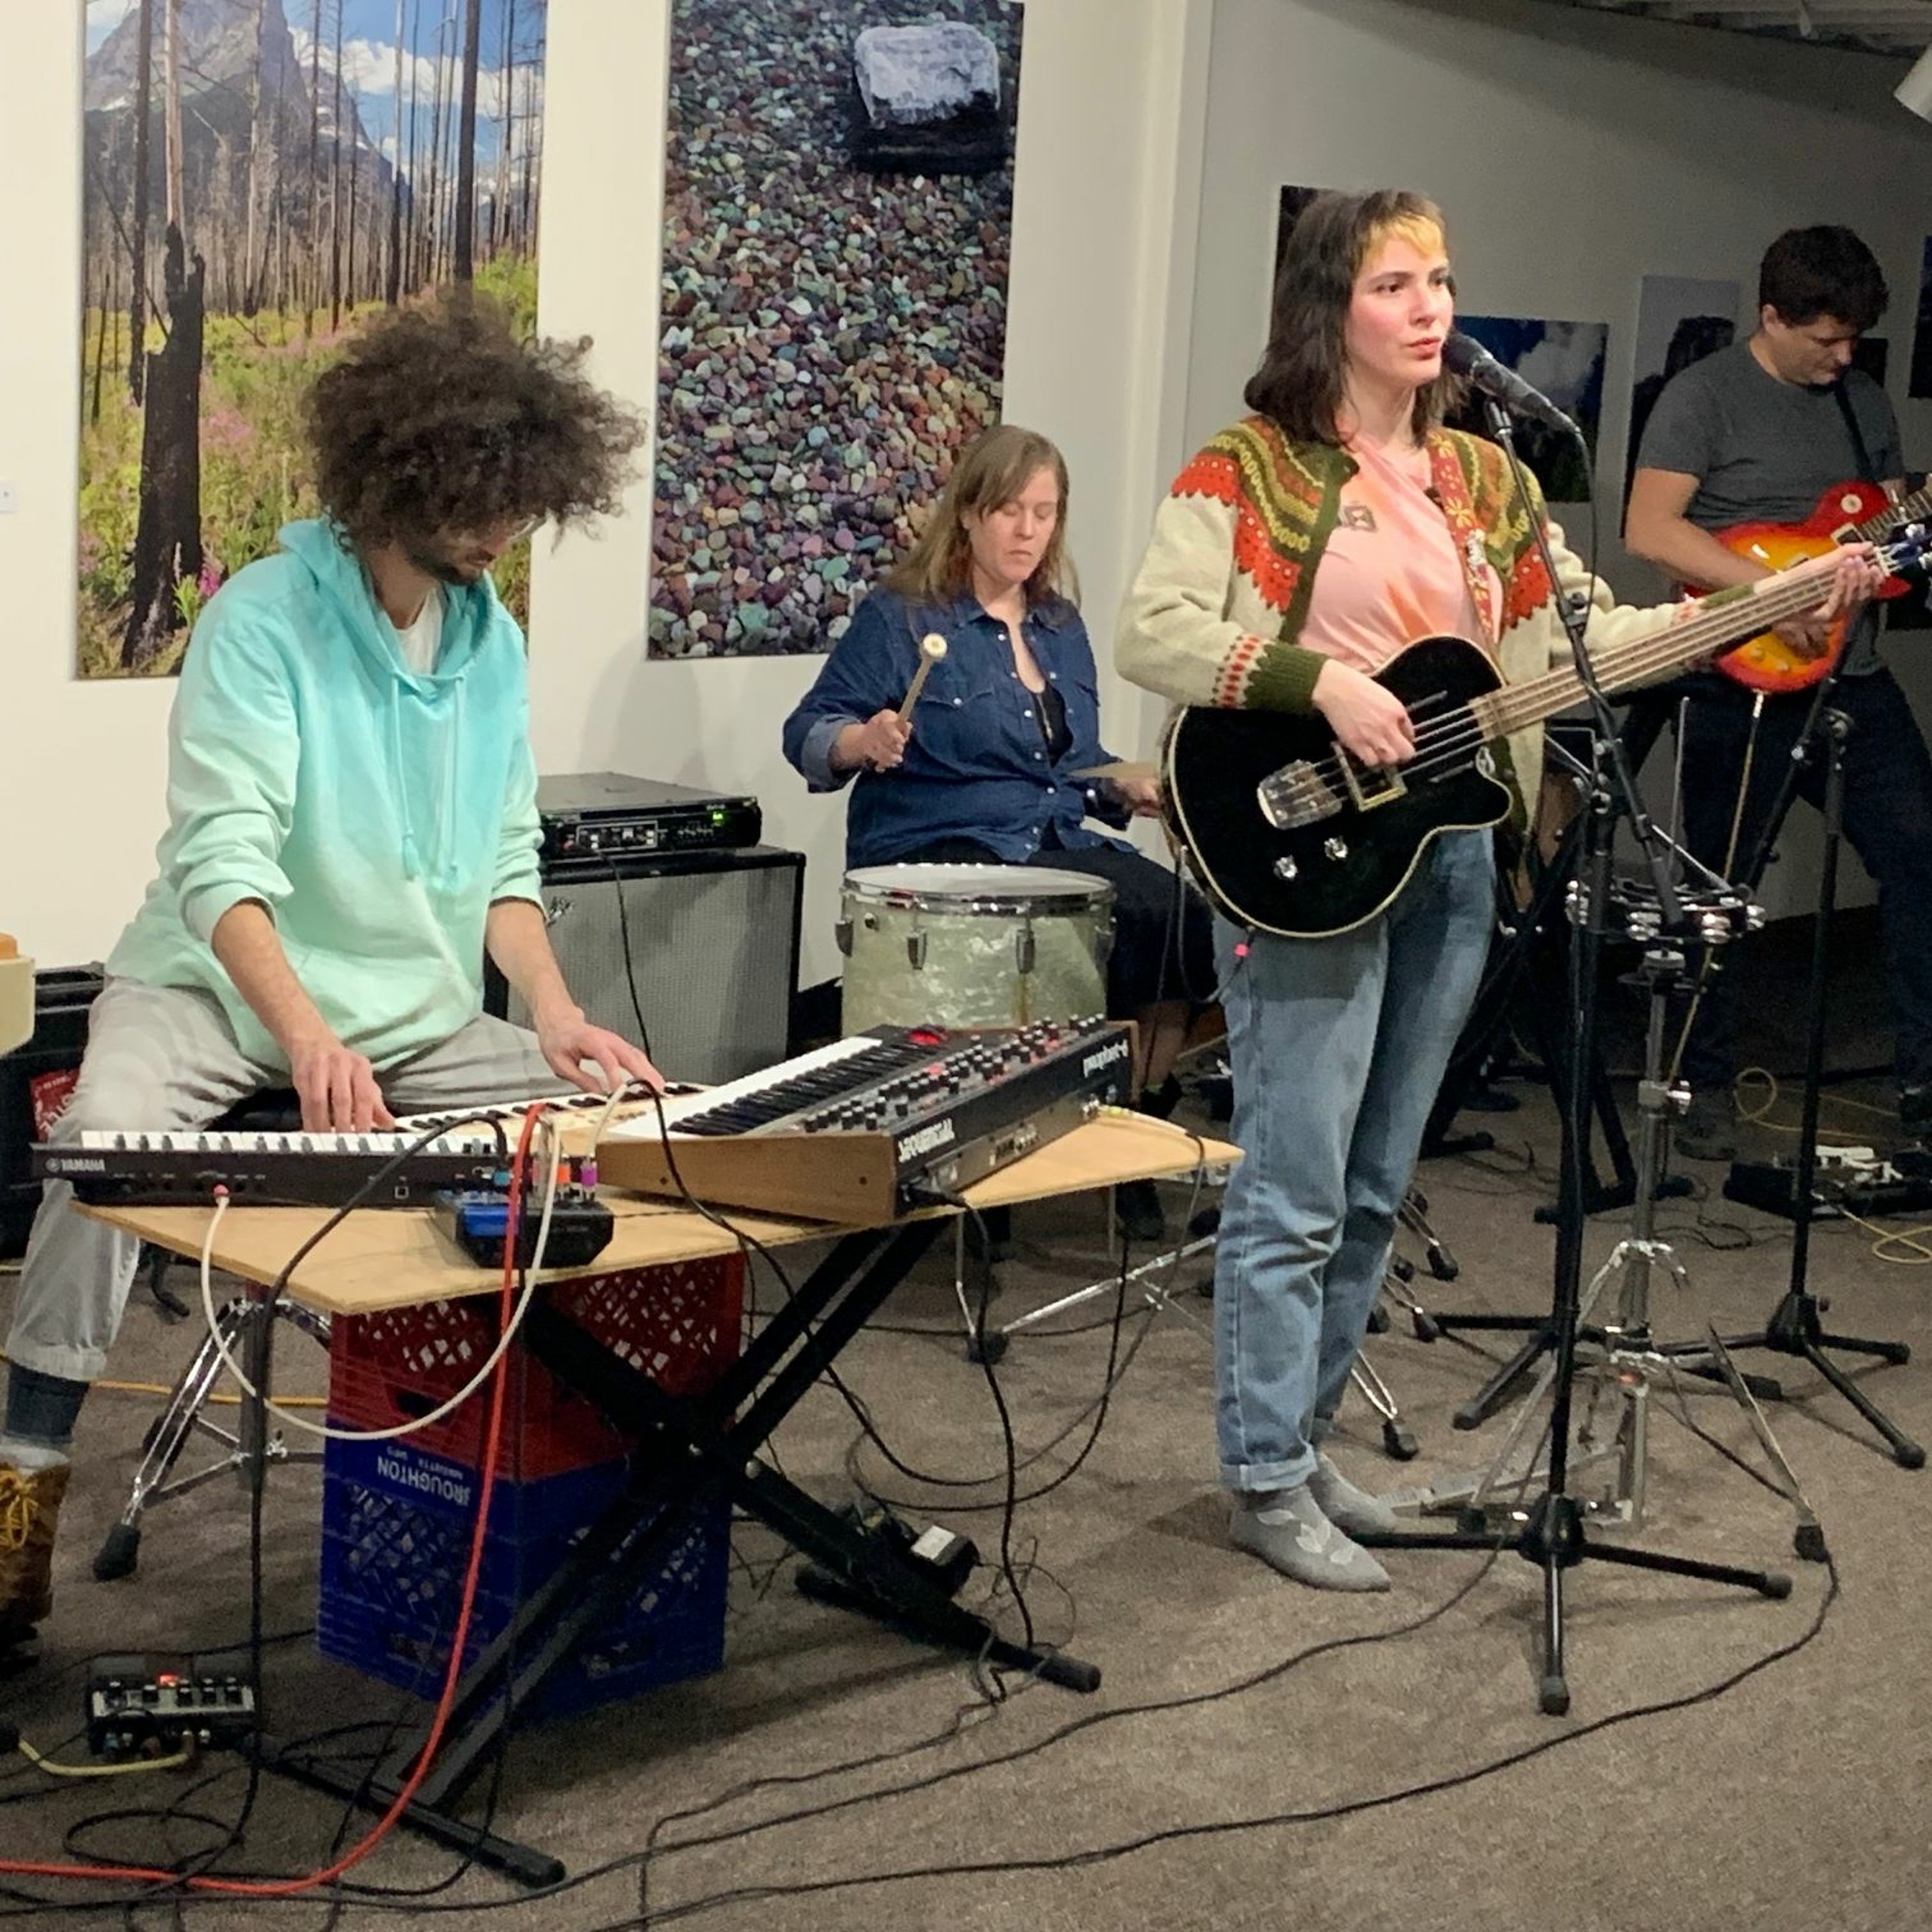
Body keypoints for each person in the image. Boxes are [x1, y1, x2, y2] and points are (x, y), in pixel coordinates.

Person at [1115, 189, 1877, 1591]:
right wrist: (1323, 684)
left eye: (1442, 280)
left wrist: (1770, 601)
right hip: (1301, 854)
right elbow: (1154, 629)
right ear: (1329, 306)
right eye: (1396, 283)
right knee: (1295, 1186)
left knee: (1374, 1185)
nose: (1432, 307)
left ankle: (1307, 1452)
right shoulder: (1250, 467)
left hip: (1452, 852)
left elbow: (1592, 641)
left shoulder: (1487, 480)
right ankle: (1262, 1478)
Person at [0, 294, 660, 1663]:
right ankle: (24, 1478)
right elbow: (220, 867)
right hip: (211, 989)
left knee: (621, 1122)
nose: (502, 529)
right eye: (480, 499)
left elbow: (506, 863)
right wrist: (303, 1035)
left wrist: (555, 1012)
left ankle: (583, 1453)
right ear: (403, 473)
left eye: (518, 501)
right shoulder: (261, 620)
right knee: (100, 1146)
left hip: (409, 1015)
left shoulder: (490, 639)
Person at [782, 422, 1215, 1242]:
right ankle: (989, 1159)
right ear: (970, 514)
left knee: (1179, 926)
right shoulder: (902, 617)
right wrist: (862, 740)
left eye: (1044, 514)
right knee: (1025, 944)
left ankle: (1129, 1127)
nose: (1027, 531)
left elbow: (1072, 763)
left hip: (1048, 839)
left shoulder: (1059, 624)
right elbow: (808, 730)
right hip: (940, 842)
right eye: (1010, 511)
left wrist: (1124, 785)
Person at [1625, 224, 1932, 1161]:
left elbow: (1886, 533)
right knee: (1719, 888)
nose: (1842, 359)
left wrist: (1885, 562)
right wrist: (1769, 595)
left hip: (1851, 677)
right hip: (1738, 683)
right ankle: (1699, 1083)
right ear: (1772, 316)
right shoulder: (1702, 397)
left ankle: (1923, 1079)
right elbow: (1651, 530)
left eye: (1853, 341)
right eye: (1826, 341)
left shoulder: (1863, 401)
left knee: (1921, 856)